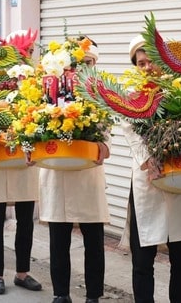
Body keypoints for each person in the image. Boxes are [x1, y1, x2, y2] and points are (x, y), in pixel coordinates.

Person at [120, 35, 181, 303]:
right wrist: (150, 160)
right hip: (148, 183)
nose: (147, 68)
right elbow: (131, 133)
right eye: (141, 63)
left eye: (152, 61)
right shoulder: (132, 97)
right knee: (142, 261)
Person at [39, 40, 111, 303]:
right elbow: (34, 122)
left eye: (90, 62)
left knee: (94, 238)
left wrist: (104, 145)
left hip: (88, 171)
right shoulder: (49, 87)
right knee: (59, 238)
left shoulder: (100, 93)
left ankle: (93, 295)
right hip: (57, 171)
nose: (85, 67)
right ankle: (61, 293)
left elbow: (105, 129)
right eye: (81, 62)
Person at [0, 29, 42, 295]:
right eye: (19, 52)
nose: (22, 57)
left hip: (24, 160)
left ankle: (22, 273)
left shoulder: (35, 87)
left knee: (25, 220)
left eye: (27, 53)